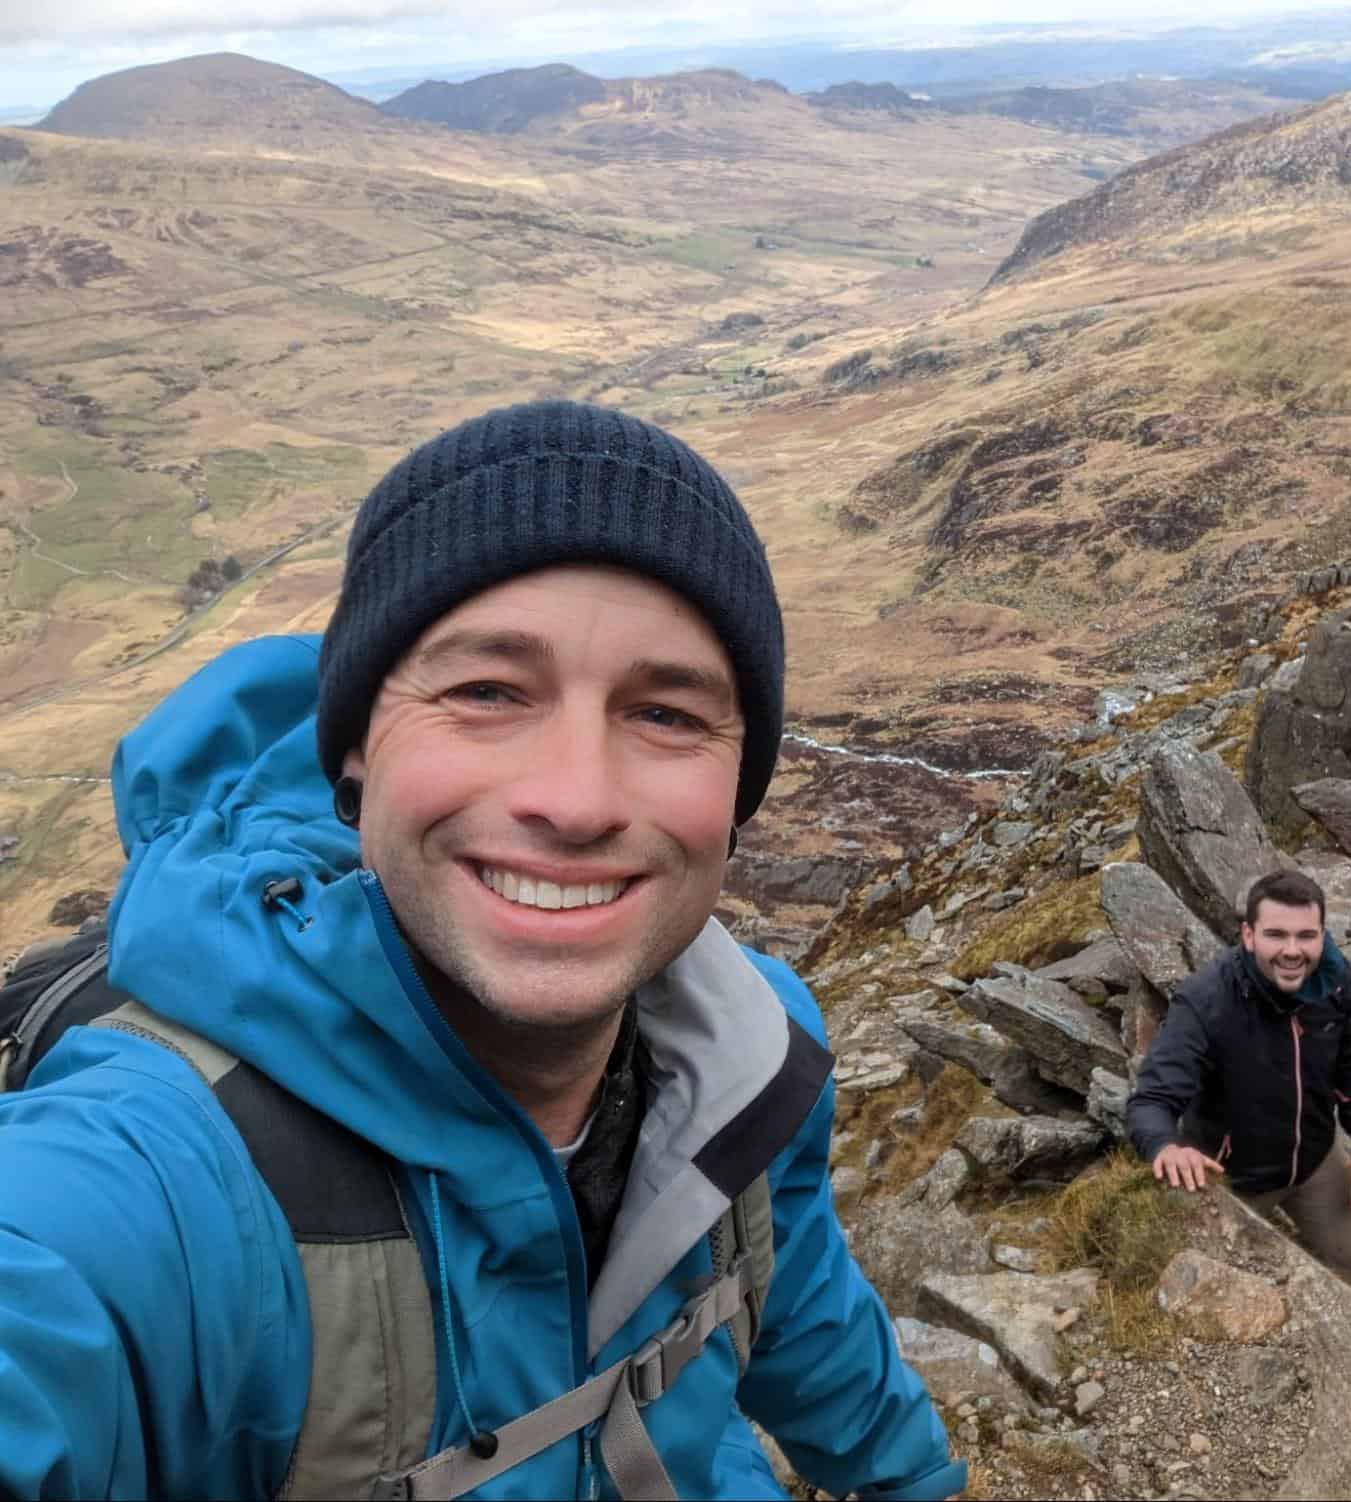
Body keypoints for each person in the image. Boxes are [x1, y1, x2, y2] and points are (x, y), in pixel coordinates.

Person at [0, 400, 964, 1500]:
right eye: (485, 691)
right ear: (355, 746)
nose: (575, 799)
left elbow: (801, 1313)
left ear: (736, 789)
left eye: (665, 713)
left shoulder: (751, 1056)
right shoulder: (164, 1178)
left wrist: (917, 1481)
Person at [1125, 869, 1351, 1284]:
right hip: (1231, 1174)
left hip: (1313, 1157)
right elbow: (1151, 1099)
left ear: (1321, 935)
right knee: (1208, 1286)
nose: (1292, 951)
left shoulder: (1335, 985)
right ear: (1248, 935)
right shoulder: (1207, 1000)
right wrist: (1165, 1147)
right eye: (1276, 935)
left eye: (1306, 936)